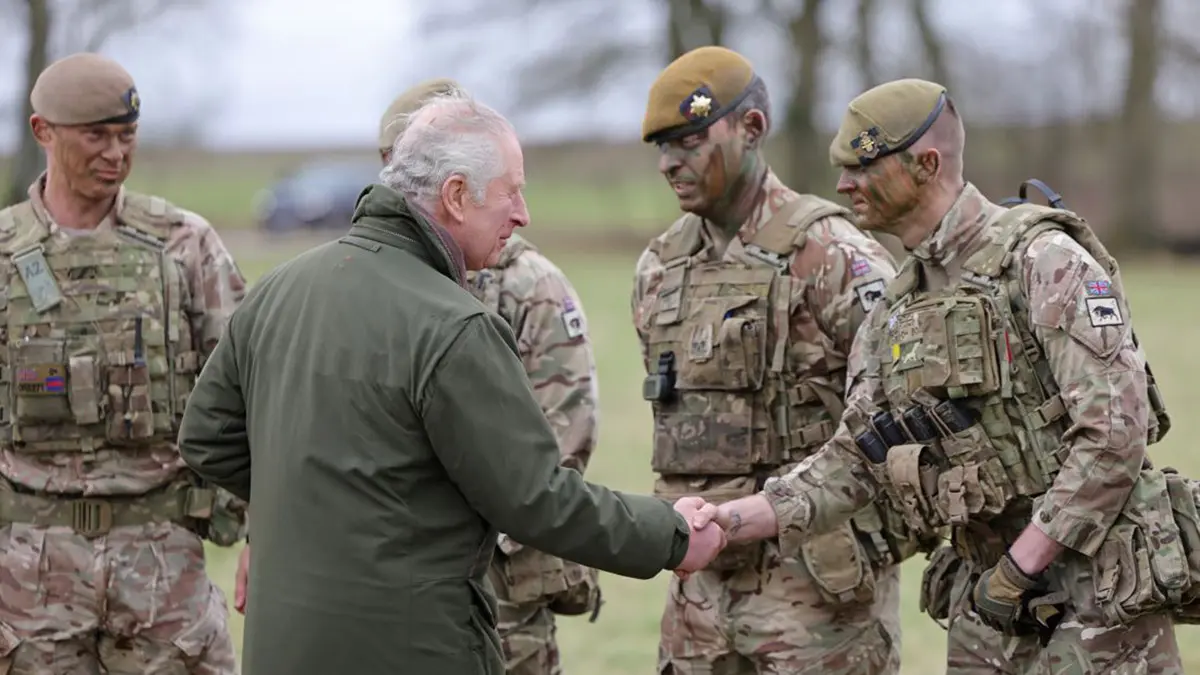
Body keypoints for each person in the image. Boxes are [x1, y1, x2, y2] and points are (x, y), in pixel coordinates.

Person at [175, 89, 728, 675]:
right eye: (511, 191)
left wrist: (317, 501)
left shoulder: (278, 291)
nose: (523, 214)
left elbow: (207, 437)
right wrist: (671, 536)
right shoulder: (456, 327)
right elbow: (537, 499)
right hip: (415, 646)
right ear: (456, 196)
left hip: (282, 647)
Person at [700, 78, 1189, 673]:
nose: (843, 184)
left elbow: (1113, 433)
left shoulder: (1042, 260)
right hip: (986, 607)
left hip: (1097, 601)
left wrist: (1021, 566)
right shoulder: (895, 308)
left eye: (862, 166)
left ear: (925, 165)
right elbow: (855, 458)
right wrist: (732, 521)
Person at [231, 77, 608, 675]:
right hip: (390, 577)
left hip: (505, 571)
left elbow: (563, 438)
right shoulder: (356, 276)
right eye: (391, 165)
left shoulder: (528, 285)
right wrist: (268, 531)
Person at [632, 46, 937, 675]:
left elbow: (915, 416)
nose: (670, 163)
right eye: (661, 147)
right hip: (698, 600)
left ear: (752, 129)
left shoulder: (832, 256)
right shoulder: (659, 270)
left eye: (689, 141)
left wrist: (873, 544)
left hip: (817, 606)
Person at [0, 52, 247, 673]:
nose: (115, 153)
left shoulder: (183, 245)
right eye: (96, 136)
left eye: (126, 135)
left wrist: (261, 532)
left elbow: (255, 394)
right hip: (27, 573)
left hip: (163, 562)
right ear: (43, 132)